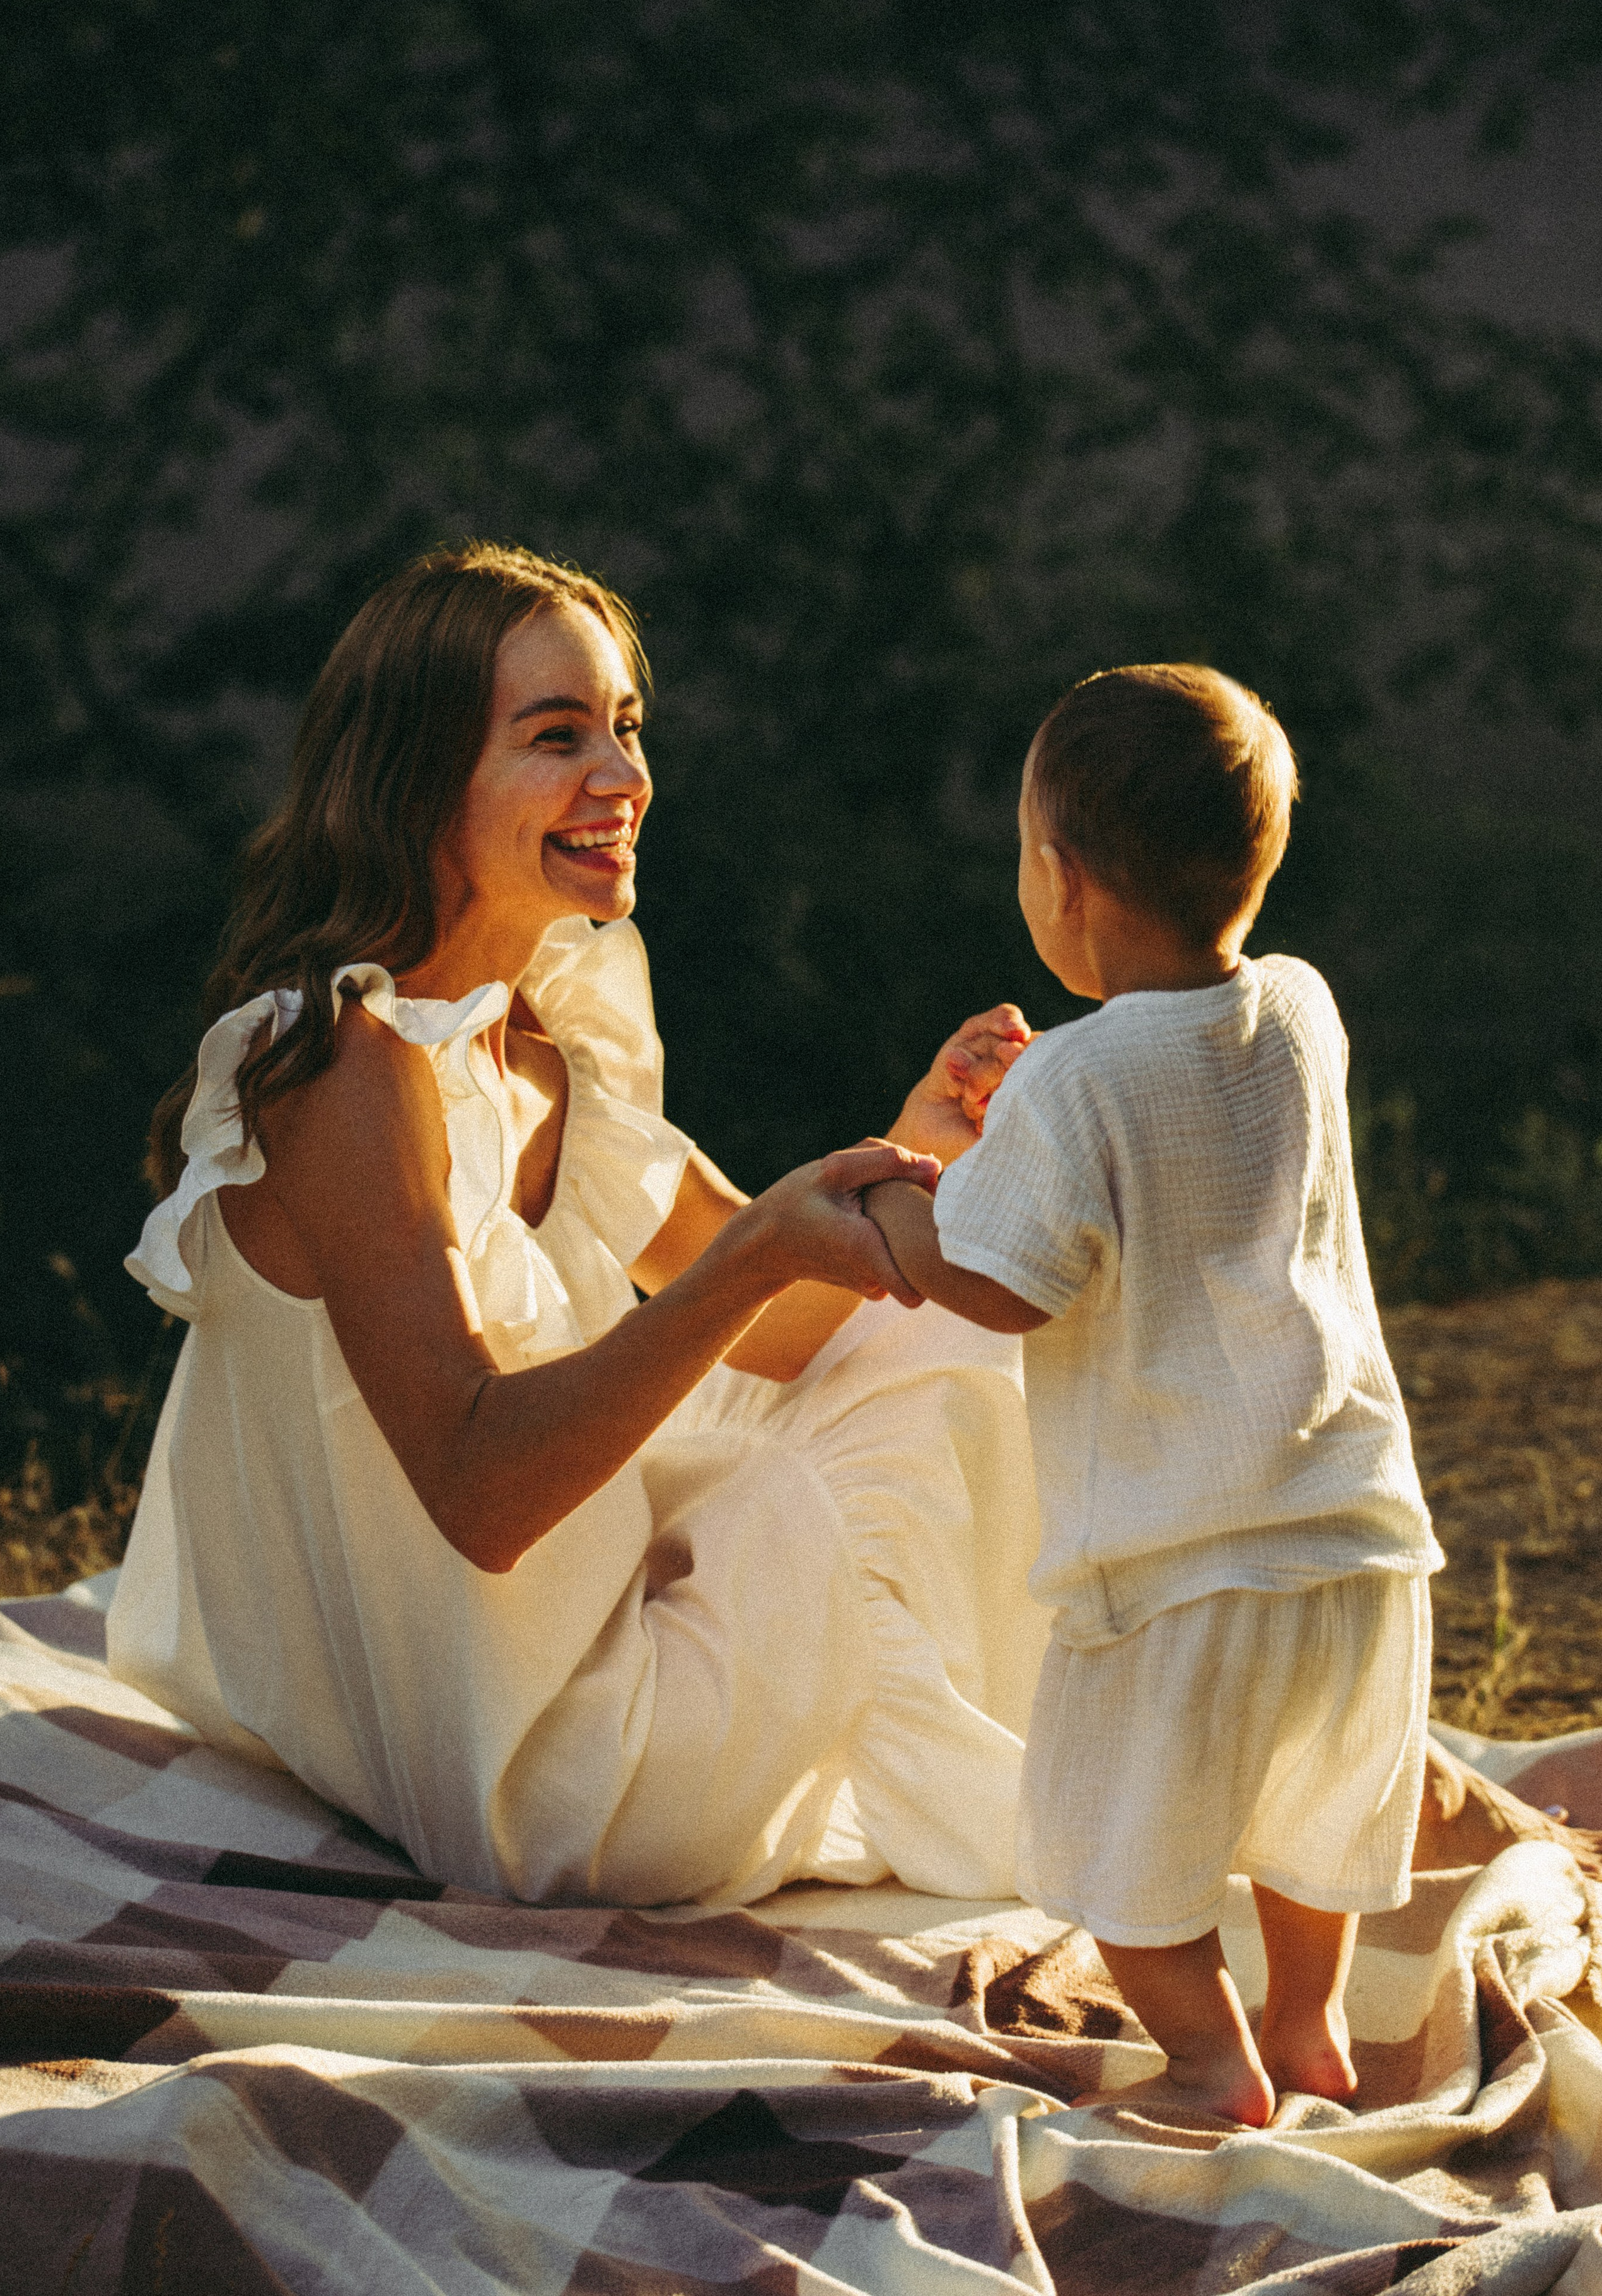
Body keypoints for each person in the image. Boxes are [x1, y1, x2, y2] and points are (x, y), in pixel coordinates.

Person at [107, 542, 1052, 1908]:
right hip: (555, 1776)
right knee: (898, 1395)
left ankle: (1095, 1726)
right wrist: (751, 1259)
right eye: (557, 738)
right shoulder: (347, 1069)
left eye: (625, 727)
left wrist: (920, 1138)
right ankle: (1098, 1760)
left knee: (957, 1317)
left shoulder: (540, 1040)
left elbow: (792, 1335)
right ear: (418, 777)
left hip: (573, 1650)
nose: (623, 777)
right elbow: (483, 1494)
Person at [863, 664, 1444, 2126]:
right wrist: (1032, 1116)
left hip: (1177, 1564)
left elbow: (999, 1282)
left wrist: (895, 1202)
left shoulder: (1069, 1080)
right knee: (1306, 1816)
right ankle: (1305, 2022)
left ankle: (1206, 2058)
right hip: (1350, 1533)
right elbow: (1180, 1128)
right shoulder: (1300, 1010)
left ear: (1059, 880)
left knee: (1120, 1846)